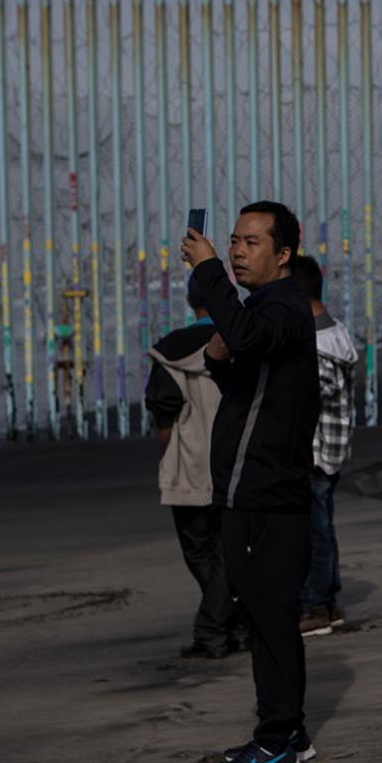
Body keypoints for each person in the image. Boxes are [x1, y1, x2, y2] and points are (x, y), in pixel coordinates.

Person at [180, 202, 321, 763]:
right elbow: (246, 368)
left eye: (251, 243)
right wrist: (218, 359)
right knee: (268, 619)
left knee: (268, 620)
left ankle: (276, 742)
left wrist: (208, 269)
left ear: (283, 254)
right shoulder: (269, 310)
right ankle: (288, 732)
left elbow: (241, 334)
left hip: (264, 496)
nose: (238, 250)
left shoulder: (284, 307)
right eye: (233, 242)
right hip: (256, 492)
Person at [145, 269, 249, 659]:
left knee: (199, 552)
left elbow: (163, 420)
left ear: (190, 302)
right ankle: (236, 628)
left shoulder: (169, 351)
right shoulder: (241, 342)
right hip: (236, 462)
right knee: (230, 552)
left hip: (188, 466)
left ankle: (211, 632)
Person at [291, 254, 359, 636]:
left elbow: (312, 394)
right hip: (332, 449)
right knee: (323, 527)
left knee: (314, 532)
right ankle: (327, 601)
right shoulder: (337, 331)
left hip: (314, 451)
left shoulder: (316, 345)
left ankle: (315, 605)